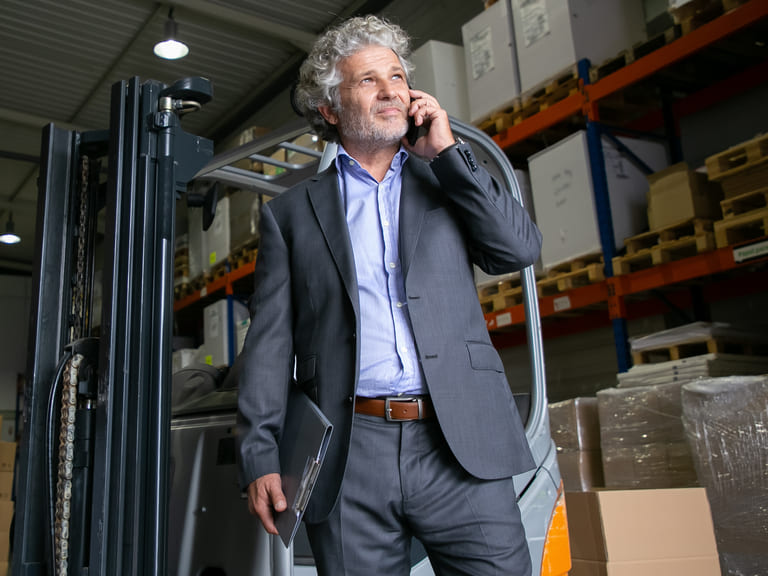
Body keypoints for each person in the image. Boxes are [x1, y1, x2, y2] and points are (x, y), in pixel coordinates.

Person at [237, 14, 542, 576]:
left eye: (397, 77)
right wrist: (259, 454)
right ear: (330, 110)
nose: (391, 90)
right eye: (369, 80)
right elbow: (269, 346)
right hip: (351, 453)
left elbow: (516, 250)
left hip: (458, 445)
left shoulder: (447, 182)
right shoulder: (291, 217)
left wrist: (450, 154)